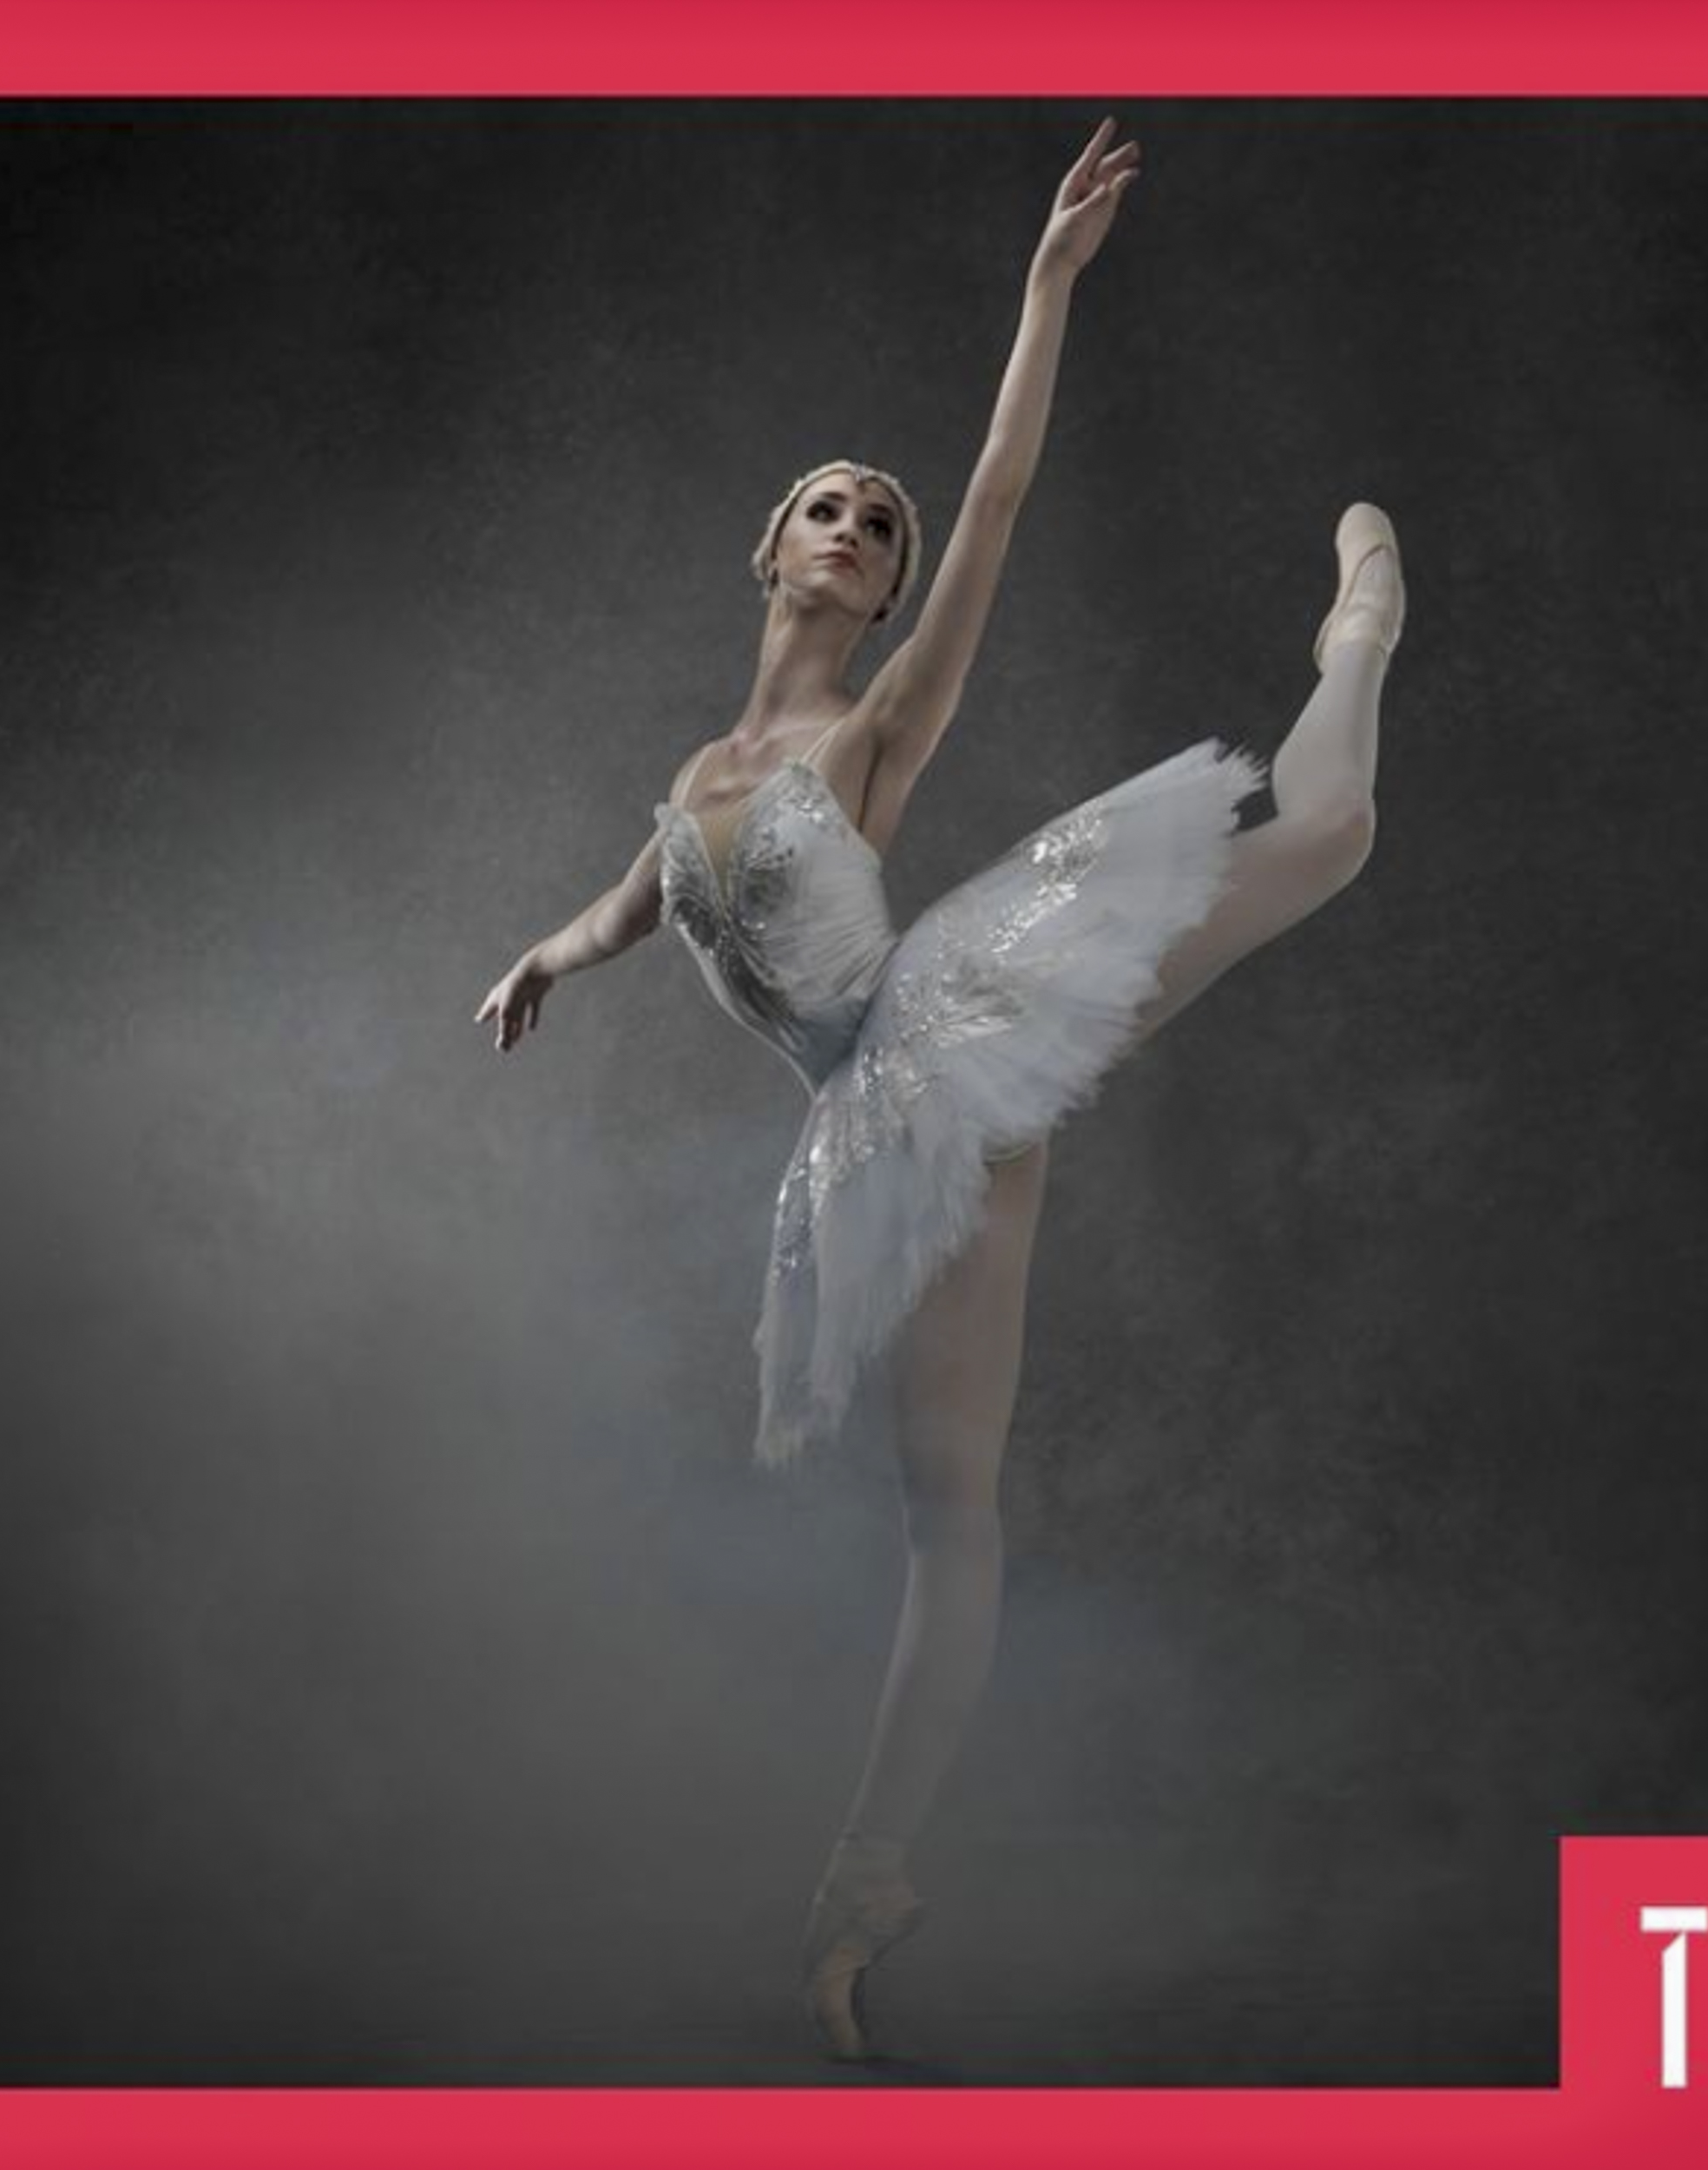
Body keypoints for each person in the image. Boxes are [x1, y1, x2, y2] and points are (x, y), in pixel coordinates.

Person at [474, 118, 1403, 2062]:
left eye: (874, 524)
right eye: (831, 503)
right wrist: (549, 957)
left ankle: (1354, 646)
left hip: (954, 1010)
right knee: (946, 1511)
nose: (862, 525)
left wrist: (1044, 287)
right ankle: (858, 1896)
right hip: (873, 1135)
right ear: (769, 545)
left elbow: (992, 493)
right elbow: (643, 893)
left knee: (1319, 829)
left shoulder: (872, 729)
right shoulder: (697, 765)